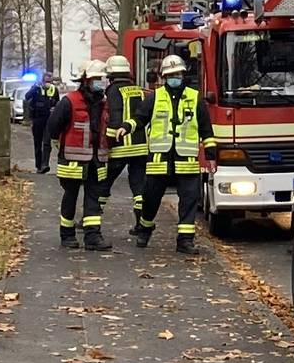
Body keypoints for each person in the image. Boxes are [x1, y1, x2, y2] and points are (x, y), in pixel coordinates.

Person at [135, 54, 214, 253]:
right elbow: (140, 118)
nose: (174, 77)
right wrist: (127, 127)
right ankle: (145, 228)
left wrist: (211, 156)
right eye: (170, 74)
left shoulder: (195, 98)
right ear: (163, 76)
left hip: (186, 161)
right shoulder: (155, 96)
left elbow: (206, 129)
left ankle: (185, 241)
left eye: (177, 74)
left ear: (183, 74)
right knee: (150, 199)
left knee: (189, 201)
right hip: (159, 161)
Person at [46, 63, 117, 249]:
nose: (100, 83)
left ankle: (93, 237)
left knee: (93, 198)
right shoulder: (69, 101)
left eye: (102, 79)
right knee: (71, 195)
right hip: (72, 160)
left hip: (96, 160)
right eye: (96, 80)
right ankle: (67, 235)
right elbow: (53, 126)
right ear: (85, 81)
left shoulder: (103, 103)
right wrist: (55, 145)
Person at [105, 55, 149, 210]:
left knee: (103, 185)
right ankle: (140, 223)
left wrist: (108, 144)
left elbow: (115, 119)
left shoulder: (113, 90)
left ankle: (90, 219)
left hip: (120, 147)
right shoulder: (138, 90)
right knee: (138, 187)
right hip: (140, 147)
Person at [21, 72, 56, 173]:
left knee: (47, 143)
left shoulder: (54, 90)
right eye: (46, 81)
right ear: (42, 80)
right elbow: (27, 96)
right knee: (37, 143)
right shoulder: (36, 89)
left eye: (49, 81)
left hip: (49, 119)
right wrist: (35, 88)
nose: (48, 83)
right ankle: (39, 165)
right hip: (37, 118)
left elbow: (57, 103)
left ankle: (45, 164)